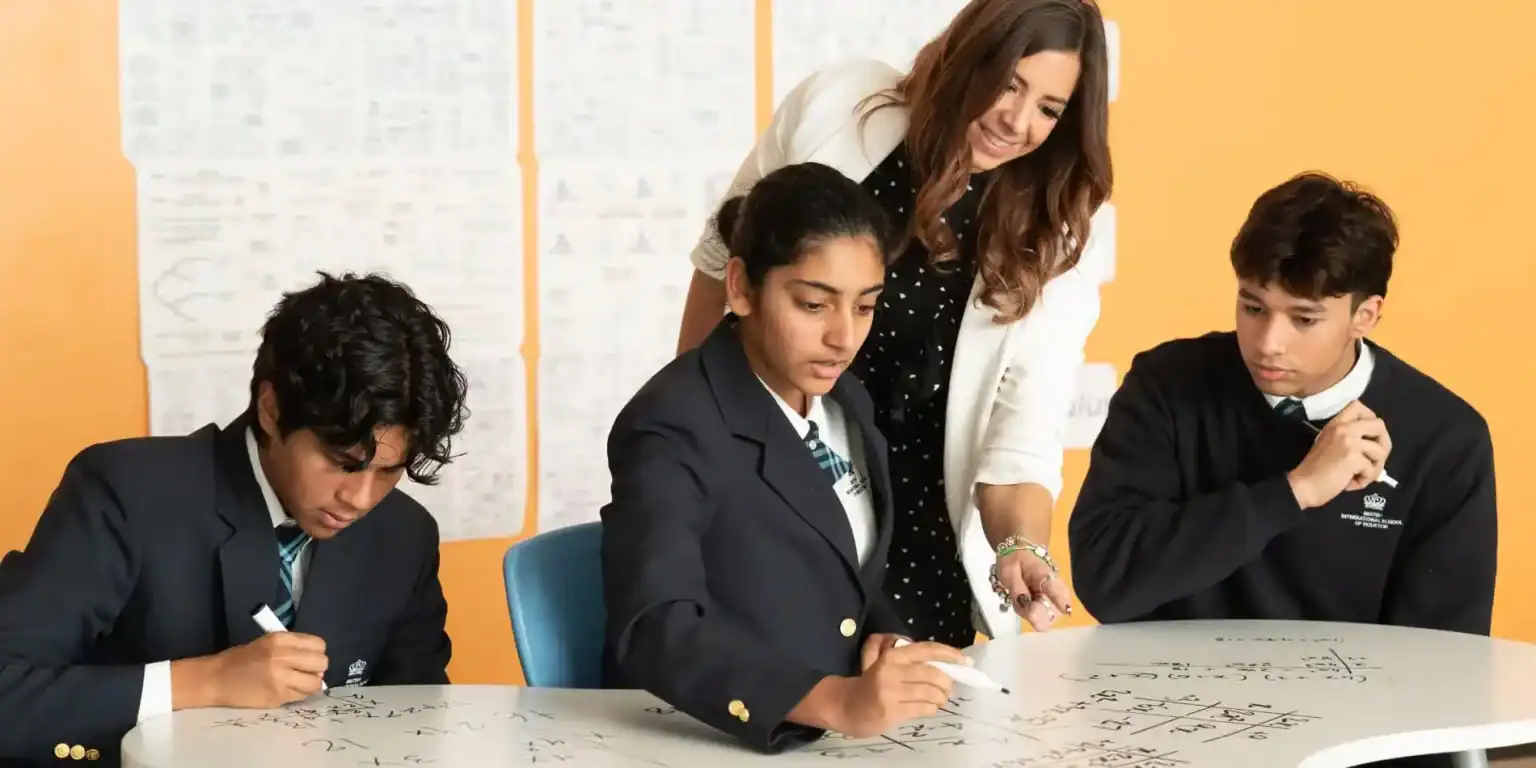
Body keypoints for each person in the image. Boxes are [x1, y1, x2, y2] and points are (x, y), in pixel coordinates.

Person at [673, 0, 1115, 648]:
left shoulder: (1059, 234)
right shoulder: (843, 105)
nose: (1015, 121)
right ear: (971, 55)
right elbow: (725, 260)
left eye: (1048, 108)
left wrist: (1020, 545)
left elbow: (1022, 437)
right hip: (767, 495)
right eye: (1008, 83)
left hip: (915, 543)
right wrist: (693, 423)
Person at [0, 272, 468, 766]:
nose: (360, 497)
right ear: (271, 408)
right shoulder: (125, 493)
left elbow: (418, 724)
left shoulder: (403, 534)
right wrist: (205, 682)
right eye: (341, 460)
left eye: (389, 471)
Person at [602, 162, 974, 753]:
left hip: (830, 740)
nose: (843, 338)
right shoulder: (673, 423)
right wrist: (835, 700)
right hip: (706, 738)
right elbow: (656, 626)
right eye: (812, 305)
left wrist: (882, 637)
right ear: (741, 287)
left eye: (865, 306)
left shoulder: (844, 398)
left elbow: (839, 564)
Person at [1068, 171, 1497, 639]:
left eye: (1303, 318)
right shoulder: (1167, 385)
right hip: (1159, 702)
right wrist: (1295, 491)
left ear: (1366, 316)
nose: (1269, 343)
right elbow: (1105, 582)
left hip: (1352, 710)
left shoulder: (1445, 438)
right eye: (1253, 308)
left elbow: (1444, 659)